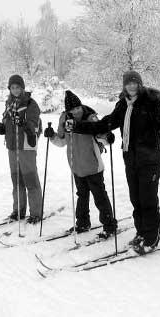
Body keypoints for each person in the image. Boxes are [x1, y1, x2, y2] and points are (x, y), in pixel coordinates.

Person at [70, 71, 160, 254]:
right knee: (136, 198)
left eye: (134, 83)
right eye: (128, 83)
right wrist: (78, 126)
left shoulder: (150, 103)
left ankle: (151, 237)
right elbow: (106, 124)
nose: (131, 86)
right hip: (130, 157)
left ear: (139, 84)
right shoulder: (123, 104)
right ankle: (141, 231)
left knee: (148, 198)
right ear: (124, 86)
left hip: (150, 158)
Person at [43, 90, 117, 238]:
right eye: (73, 109)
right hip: (76, 166)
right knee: (81, 196)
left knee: (100, 197)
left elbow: (102, 136)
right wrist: (52, 136)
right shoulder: (65, 119)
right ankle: (83, 223)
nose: (76, 111)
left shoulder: (90, 118)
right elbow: (62, 141)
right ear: (68, 110)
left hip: (93, 166)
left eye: (78, 108)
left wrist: (108, 137)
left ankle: (109, 225)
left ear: (81, 106)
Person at [0, 75, 43, 224]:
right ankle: (18, 211)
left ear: (22, 88)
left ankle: (36, 213)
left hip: (26, 147)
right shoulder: (9, 104)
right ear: (10, 89)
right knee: (17, 181)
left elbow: (33, 125)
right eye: (13, 87)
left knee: (30, 180)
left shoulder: (30, 104)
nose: (15, 90)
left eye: (18, 87)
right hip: (12, 147)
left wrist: (22, 122)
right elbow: (5, 128)